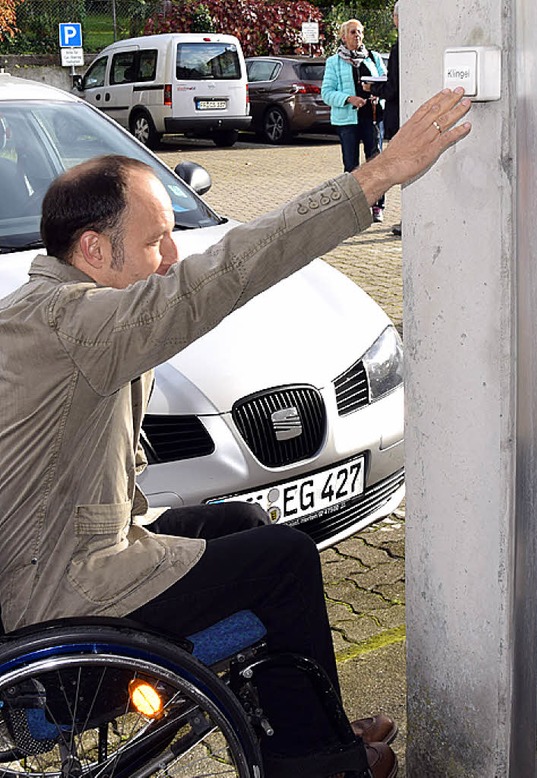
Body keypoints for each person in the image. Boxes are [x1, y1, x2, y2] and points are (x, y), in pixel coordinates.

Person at [0, 87, 471, 778]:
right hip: (65, 595)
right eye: (154, 240)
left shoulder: (44, 307)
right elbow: (228, 271)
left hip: (56, 563)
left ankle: (314, 724)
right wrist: (374, 177)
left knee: (242, 521)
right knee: (283, 559)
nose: (171, 256)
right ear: (95, 249)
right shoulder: (83, 326)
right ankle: (316, 763)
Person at [321, 19, 387, 223]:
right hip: (347, 120)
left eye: (359, 32)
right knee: (351, 165)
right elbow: (326, 93)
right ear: (343, 36)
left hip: (372, 117)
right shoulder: (334, 62)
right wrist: (349, 99)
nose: (356, 36)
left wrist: (378, 95)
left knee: (376, 163)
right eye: (352, 32)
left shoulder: (373, 58)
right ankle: (353, 207)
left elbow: (386, 84)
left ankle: (377, 205)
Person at [362, 1, 401, 236]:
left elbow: (394, 87)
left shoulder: (399, 47)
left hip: (399, 117)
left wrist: (373, 89)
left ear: (397, 18)